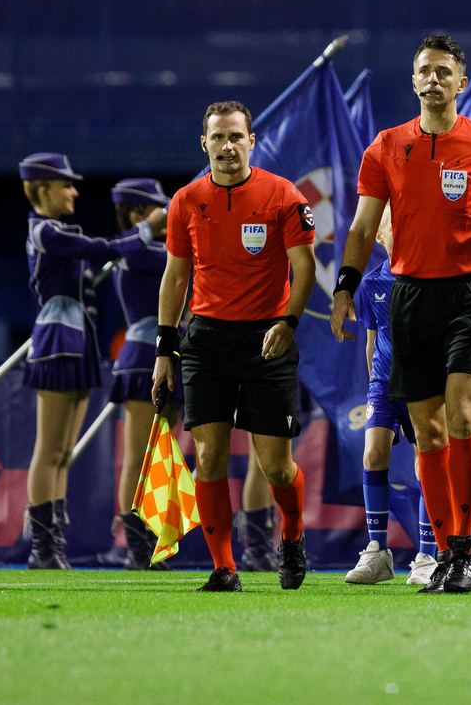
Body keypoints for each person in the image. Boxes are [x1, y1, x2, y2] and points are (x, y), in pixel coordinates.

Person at [331, 35, 471, 596]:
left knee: (463, 420)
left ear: (461, 83)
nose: (433, 79)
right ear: (413, 81)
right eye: (424, 71)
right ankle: (449, 547)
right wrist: (344, 288)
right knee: (427, 433)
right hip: (409, 298)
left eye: (443, 71)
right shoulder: (385, 147)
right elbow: (359, 228)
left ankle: (459, 550)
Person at [149, 103, 315, 592]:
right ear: (205, 144)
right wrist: (165, 348)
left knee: (277, 468)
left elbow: (302, 267)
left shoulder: (283, 195)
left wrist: (289, 322)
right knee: (208, 457)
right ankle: (224, 568)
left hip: (269, 337)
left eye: (236, 137)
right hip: (207, 341)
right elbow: (176, 276)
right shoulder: (185, 201)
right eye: (218, 138)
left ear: (252, 140)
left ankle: (292, 533)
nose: (227, 146)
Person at [18, 153, 166, 570]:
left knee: (64, 451)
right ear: (42, 189)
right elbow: (102, 247)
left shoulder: (58, 230)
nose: (74, 191)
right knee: (49, 449)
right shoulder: (45, 231)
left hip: (78, 341)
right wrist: (145, 230)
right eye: (66, 184)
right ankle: (43, 548)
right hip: (57, 342)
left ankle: (53, 546)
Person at [345, 205, 419, 586]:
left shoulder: (429, 278)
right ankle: (377, 552)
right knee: (374, 453)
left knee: (429, 463)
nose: (402, 231)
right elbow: (371, 343)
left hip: (424, 383)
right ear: (380, 236)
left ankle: (429, 553)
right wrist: (374, 384)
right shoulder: (370, 283)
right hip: (385, 385)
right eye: (395, 226)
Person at [105, 178, 176, 571]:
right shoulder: (136, 250)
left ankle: (151, 541)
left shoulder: (151, 249)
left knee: (161, 455)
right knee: (139, 453)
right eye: (159, 209)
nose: (168, 214)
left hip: (170, 354)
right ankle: (136, 545)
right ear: (137, 214)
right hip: (142, 358)